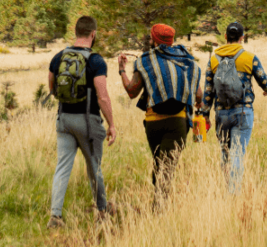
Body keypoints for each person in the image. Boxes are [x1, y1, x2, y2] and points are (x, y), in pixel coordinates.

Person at [47, 16, 116, 228]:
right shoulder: (96, 61)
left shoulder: (59, 57)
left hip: (64, 119)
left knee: (62, 166)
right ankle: (102, 211)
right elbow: (102, 95)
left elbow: (52, 89)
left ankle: (55, 216)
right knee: (93, 166)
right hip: (88, 120)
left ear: (75, 32)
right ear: (93, 34)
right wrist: (111, 124)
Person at [118, 23, 202, 196]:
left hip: (153, 123)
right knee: (167, 168)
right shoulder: (186, 59)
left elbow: (132, 91)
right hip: (177, 123)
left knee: (159, 164)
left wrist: (121, 70)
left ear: (154, 40)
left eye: (151, 37)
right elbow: (199, 96)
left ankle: (158, 206)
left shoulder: (146, 61)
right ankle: (159, 209)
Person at [200, 21, 267, 191]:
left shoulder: (213, 59)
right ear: (242, 37)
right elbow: (266, 83)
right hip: (242, 112)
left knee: (225, 153)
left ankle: (228, 187)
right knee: (238, 154)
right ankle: (234, 193)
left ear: (225, 37)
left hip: (221, 114)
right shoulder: (249, 58)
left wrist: (205, 115)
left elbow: (208, 90)